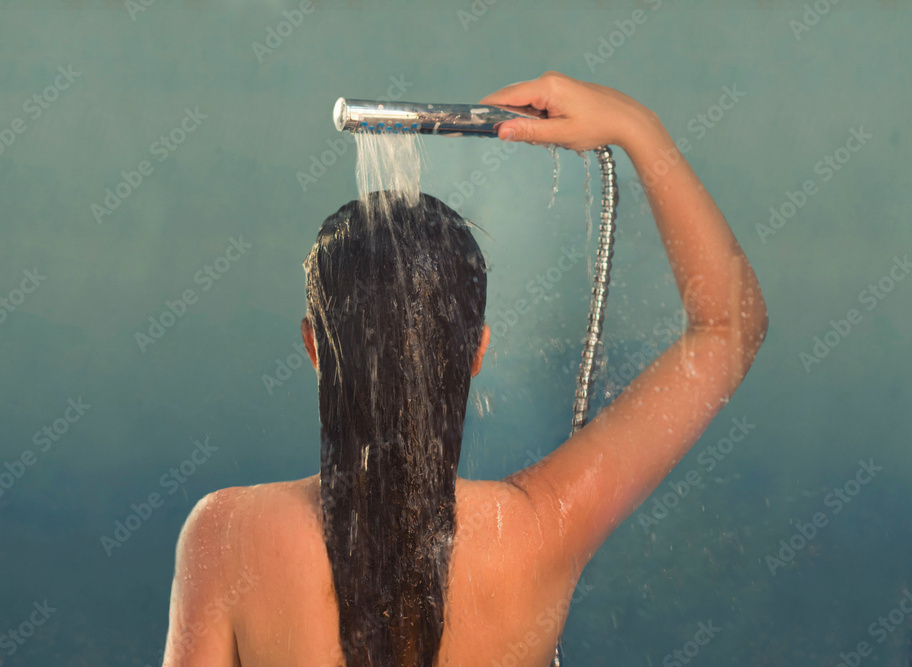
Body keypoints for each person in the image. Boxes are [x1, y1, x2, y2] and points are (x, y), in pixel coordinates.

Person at [162, 71, 769, 667]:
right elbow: (732, 329)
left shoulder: (227, 536)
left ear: (315, 346)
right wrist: (638, 127)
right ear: (477, 351)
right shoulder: (538, 528)